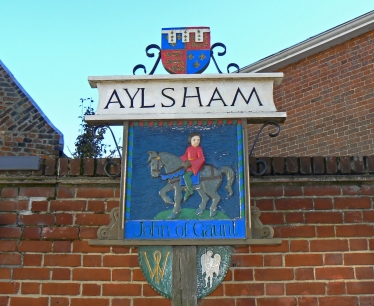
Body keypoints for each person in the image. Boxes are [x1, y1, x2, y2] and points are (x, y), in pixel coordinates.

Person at [180, 132, 205, 202]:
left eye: (198, 140)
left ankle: (189, 190)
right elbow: (185, 156)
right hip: (188, 165)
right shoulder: (189, 148)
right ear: (190, 140)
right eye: (194, 140)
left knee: (186, 176)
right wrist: (180, 160)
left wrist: (191, 163)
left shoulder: (199, 149)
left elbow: (202, 159)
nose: (196, 142)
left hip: (194, 166)